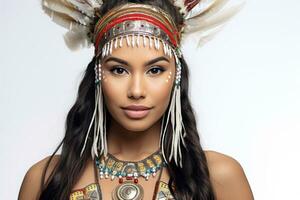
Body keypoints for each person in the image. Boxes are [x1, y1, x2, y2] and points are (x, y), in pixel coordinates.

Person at [18, 0, 254, 199]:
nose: (136, 90)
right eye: (119, 70)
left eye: (155, 70)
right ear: (98, 74)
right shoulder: (43, 179)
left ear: (177, 76)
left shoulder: (220, 176)